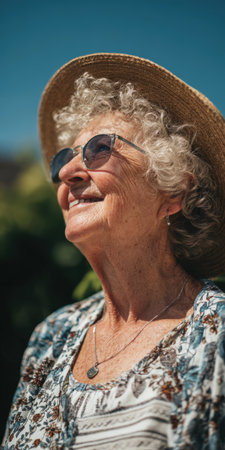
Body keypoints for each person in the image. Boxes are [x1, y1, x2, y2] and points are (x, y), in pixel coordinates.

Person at [2, 53, 225, 449]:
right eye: (63, 160)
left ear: (173, 192)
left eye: (100, 148)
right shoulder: (50, 337)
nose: (68, 173)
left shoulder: (216, 332)